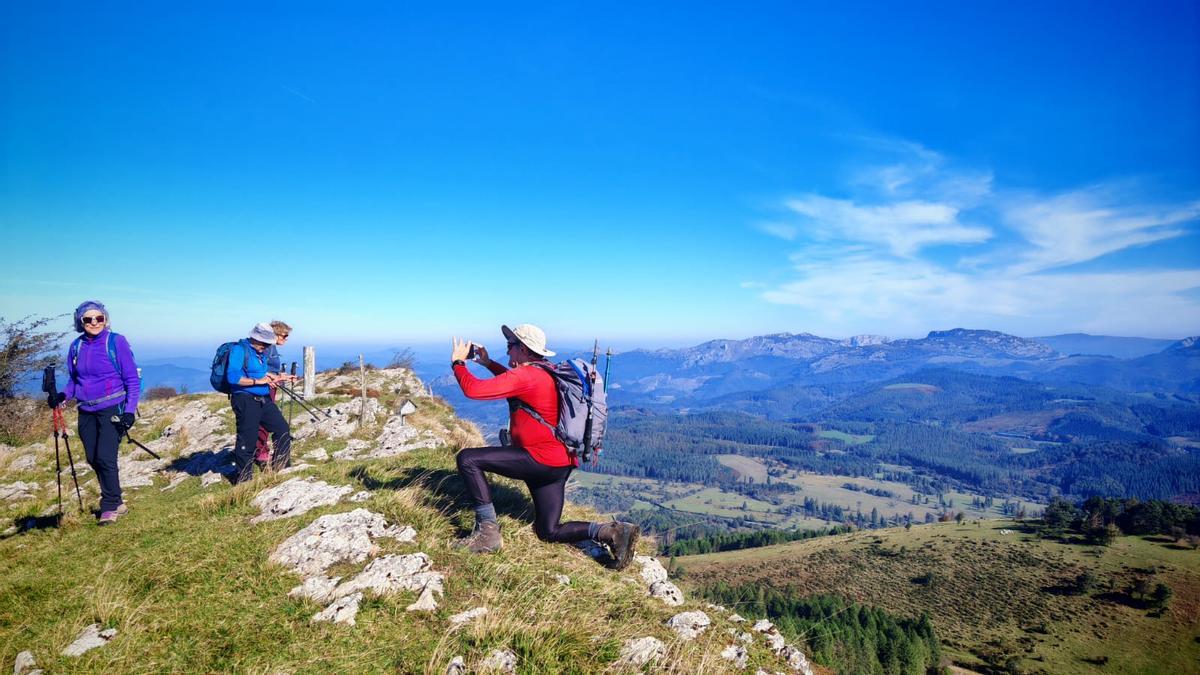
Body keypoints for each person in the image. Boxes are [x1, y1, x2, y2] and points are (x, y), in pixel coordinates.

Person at [450, 323, 640, 569]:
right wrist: (488, 363)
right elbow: (515, 384)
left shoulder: (526, 375)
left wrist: (458, 363)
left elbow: (473, 390)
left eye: (510, 346)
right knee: (548, 530)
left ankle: (487, 533)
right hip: (559, 463)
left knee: (468, 459)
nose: (507, 353)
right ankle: (613, 532)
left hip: (537, 459)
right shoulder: (546, 371)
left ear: (524, 349)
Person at [52, 301, 140, 524]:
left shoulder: (116, 342)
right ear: (80, 322)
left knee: (105, 457)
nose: (94, 323)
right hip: (86, 410)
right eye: (88, 319)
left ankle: (109, 505)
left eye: (98, 318)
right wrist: (63, 396)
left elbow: (132, 379)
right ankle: (117, 500)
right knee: (92, 458)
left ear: (105, 319)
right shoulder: (76, 346)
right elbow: (74, 380)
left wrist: (129, 412)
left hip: (113, 407)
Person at [226, 323, 296, 484]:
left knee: (282, 428)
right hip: (245, 399)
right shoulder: (239, 350)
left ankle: (281, 468)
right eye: (264, 344)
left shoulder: (260, 351)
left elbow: (261, 372)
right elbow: (233, 377)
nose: (265, 347)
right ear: (255, 339)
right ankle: (244, 480)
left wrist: (278, 377)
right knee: (247, 440)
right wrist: (258, 381)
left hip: (263, 397)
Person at [254, 320, 293, 470]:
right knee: (265, 421)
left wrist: (279, 376)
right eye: (284, 335)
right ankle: (262, 453)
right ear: (275, 334)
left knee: (265, 420)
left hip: (269, 384)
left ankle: (261, 451)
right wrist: (273, 378)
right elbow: (259, 369)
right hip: (265, 386)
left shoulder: (271, 348)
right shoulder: (268, 348)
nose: (286, 338)